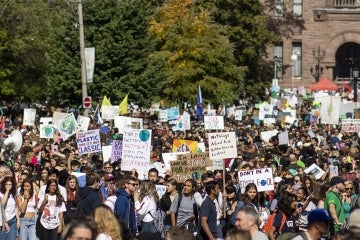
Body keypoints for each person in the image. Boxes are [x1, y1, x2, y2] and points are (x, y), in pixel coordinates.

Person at [0, 176, 20, 240]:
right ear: (4, 184)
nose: (8, 185)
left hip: (13, 220)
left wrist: (18, 220)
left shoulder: (13, 194)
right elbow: (2, 204)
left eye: (10, 184)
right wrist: (7, 191)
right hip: (3, 221)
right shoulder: (1, 194)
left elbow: (16, 207)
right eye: (7, 184)